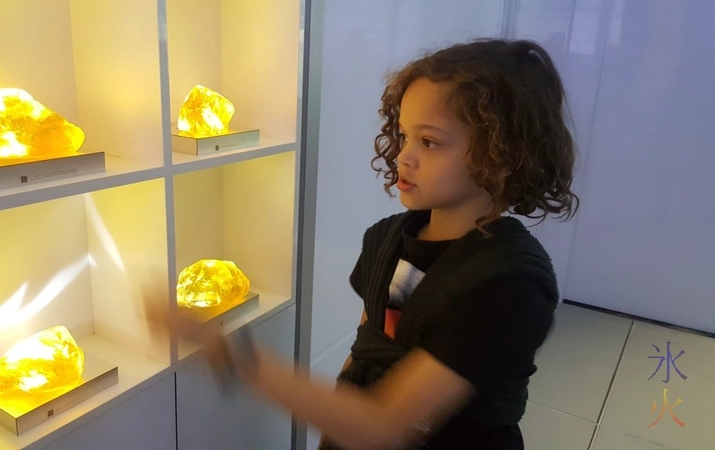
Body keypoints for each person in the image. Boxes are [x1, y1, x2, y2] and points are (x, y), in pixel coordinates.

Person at [177, 38, 579, 450]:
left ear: (501, 155)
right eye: (404, 136)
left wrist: (232, 356)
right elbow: (365, 352)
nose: (404, 157)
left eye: (429, 142)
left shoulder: (508, 284)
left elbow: (385, 426)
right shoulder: (387, 240)